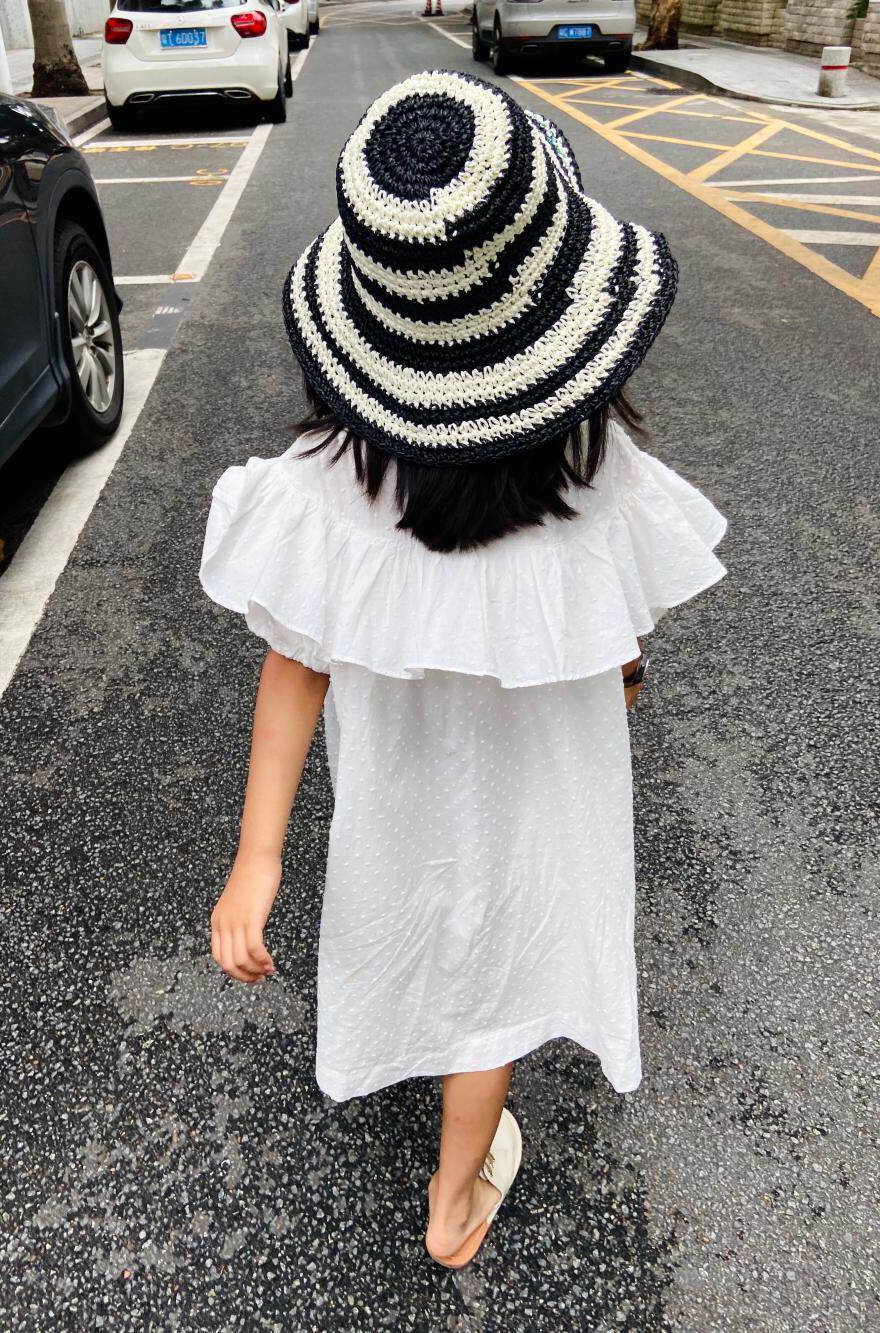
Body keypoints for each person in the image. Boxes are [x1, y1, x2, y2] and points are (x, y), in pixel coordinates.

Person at [200, 70, 727, 1269]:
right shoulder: (594, 472)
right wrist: (622, 680)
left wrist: (257, 857)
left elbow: (294, 668)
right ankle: (452, 1200)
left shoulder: (324, 488)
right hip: (547, 790)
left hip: (398, 789)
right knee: (501, 969)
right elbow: (620, 625)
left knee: (425, 922)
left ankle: (426, 1099)